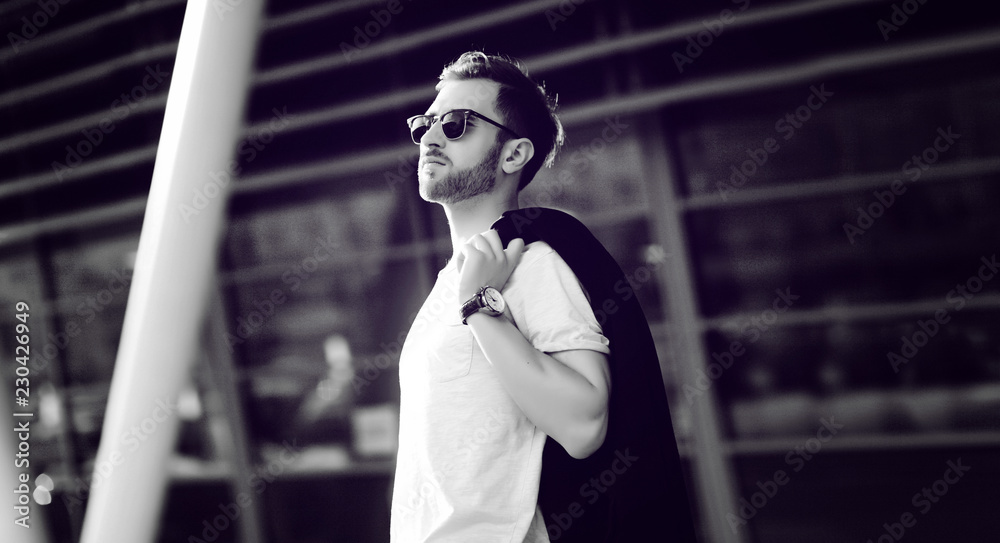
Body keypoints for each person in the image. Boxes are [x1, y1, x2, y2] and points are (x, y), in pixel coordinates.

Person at [390, 51, 694, 543]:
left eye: (456, 124)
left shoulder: (533, 264)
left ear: (513, 155)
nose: (429, 136)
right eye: (425, 122)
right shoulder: (453, 281)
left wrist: (479, 309)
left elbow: (583, 424)